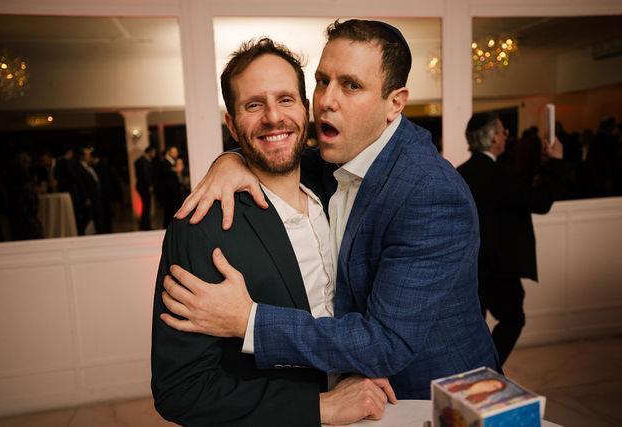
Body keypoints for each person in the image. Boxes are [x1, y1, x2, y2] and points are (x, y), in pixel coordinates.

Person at [165, 19, 499, 400]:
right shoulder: (339, 154)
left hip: (436, 398)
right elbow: (277, 148)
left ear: (395, 102)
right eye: (323, 81)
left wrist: (248, 321)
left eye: (351, 85)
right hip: (359, 398)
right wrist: (231, 160)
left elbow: (386, 343)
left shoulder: (429, 192)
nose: (326, 100)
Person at [152, 37, 395, 426]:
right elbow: (180, 389)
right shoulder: (200, 227)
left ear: (305, 109)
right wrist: (321, 407)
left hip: (369, 409)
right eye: (253, 105)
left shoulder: (336, 187)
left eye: (285, 99)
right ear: (232, 125)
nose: (272, 117)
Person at [457, 112, 570, 365]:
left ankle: (476, 372)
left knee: (474, 326)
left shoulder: (459, 173)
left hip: (468, 267)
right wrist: (556, 163)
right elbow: (540, 202)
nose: (506, 136)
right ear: (493, 139)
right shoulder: (501, 175)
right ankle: (488, 369)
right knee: (513, 319)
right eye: (503, 131)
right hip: (500, 268)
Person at [155, 145, 183, 228]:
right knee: (169, 210)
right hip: (169, 192)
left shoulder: (173, 161)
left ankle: (171, 226)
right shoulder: (165, 162)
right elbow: (166, 175)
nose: (176, 153)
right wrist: (176, 170)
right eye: (174, 152)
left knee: (171, 210)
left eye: (176, 152)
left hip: (172, 191)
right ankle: (168, 226)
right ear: (169, 152)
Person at [135, 146, 157, 230]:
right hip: (144, 187)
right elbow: (145, 175)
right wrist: (149, 185)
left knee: (146, 206)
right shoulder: (143, 161)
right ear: (149, 152)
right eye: (153, 152)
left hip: (142, 186)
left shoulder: (141, 160)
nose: (154, 154)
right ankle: (145, 225)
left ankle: (144, 224)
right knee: (146, 206)